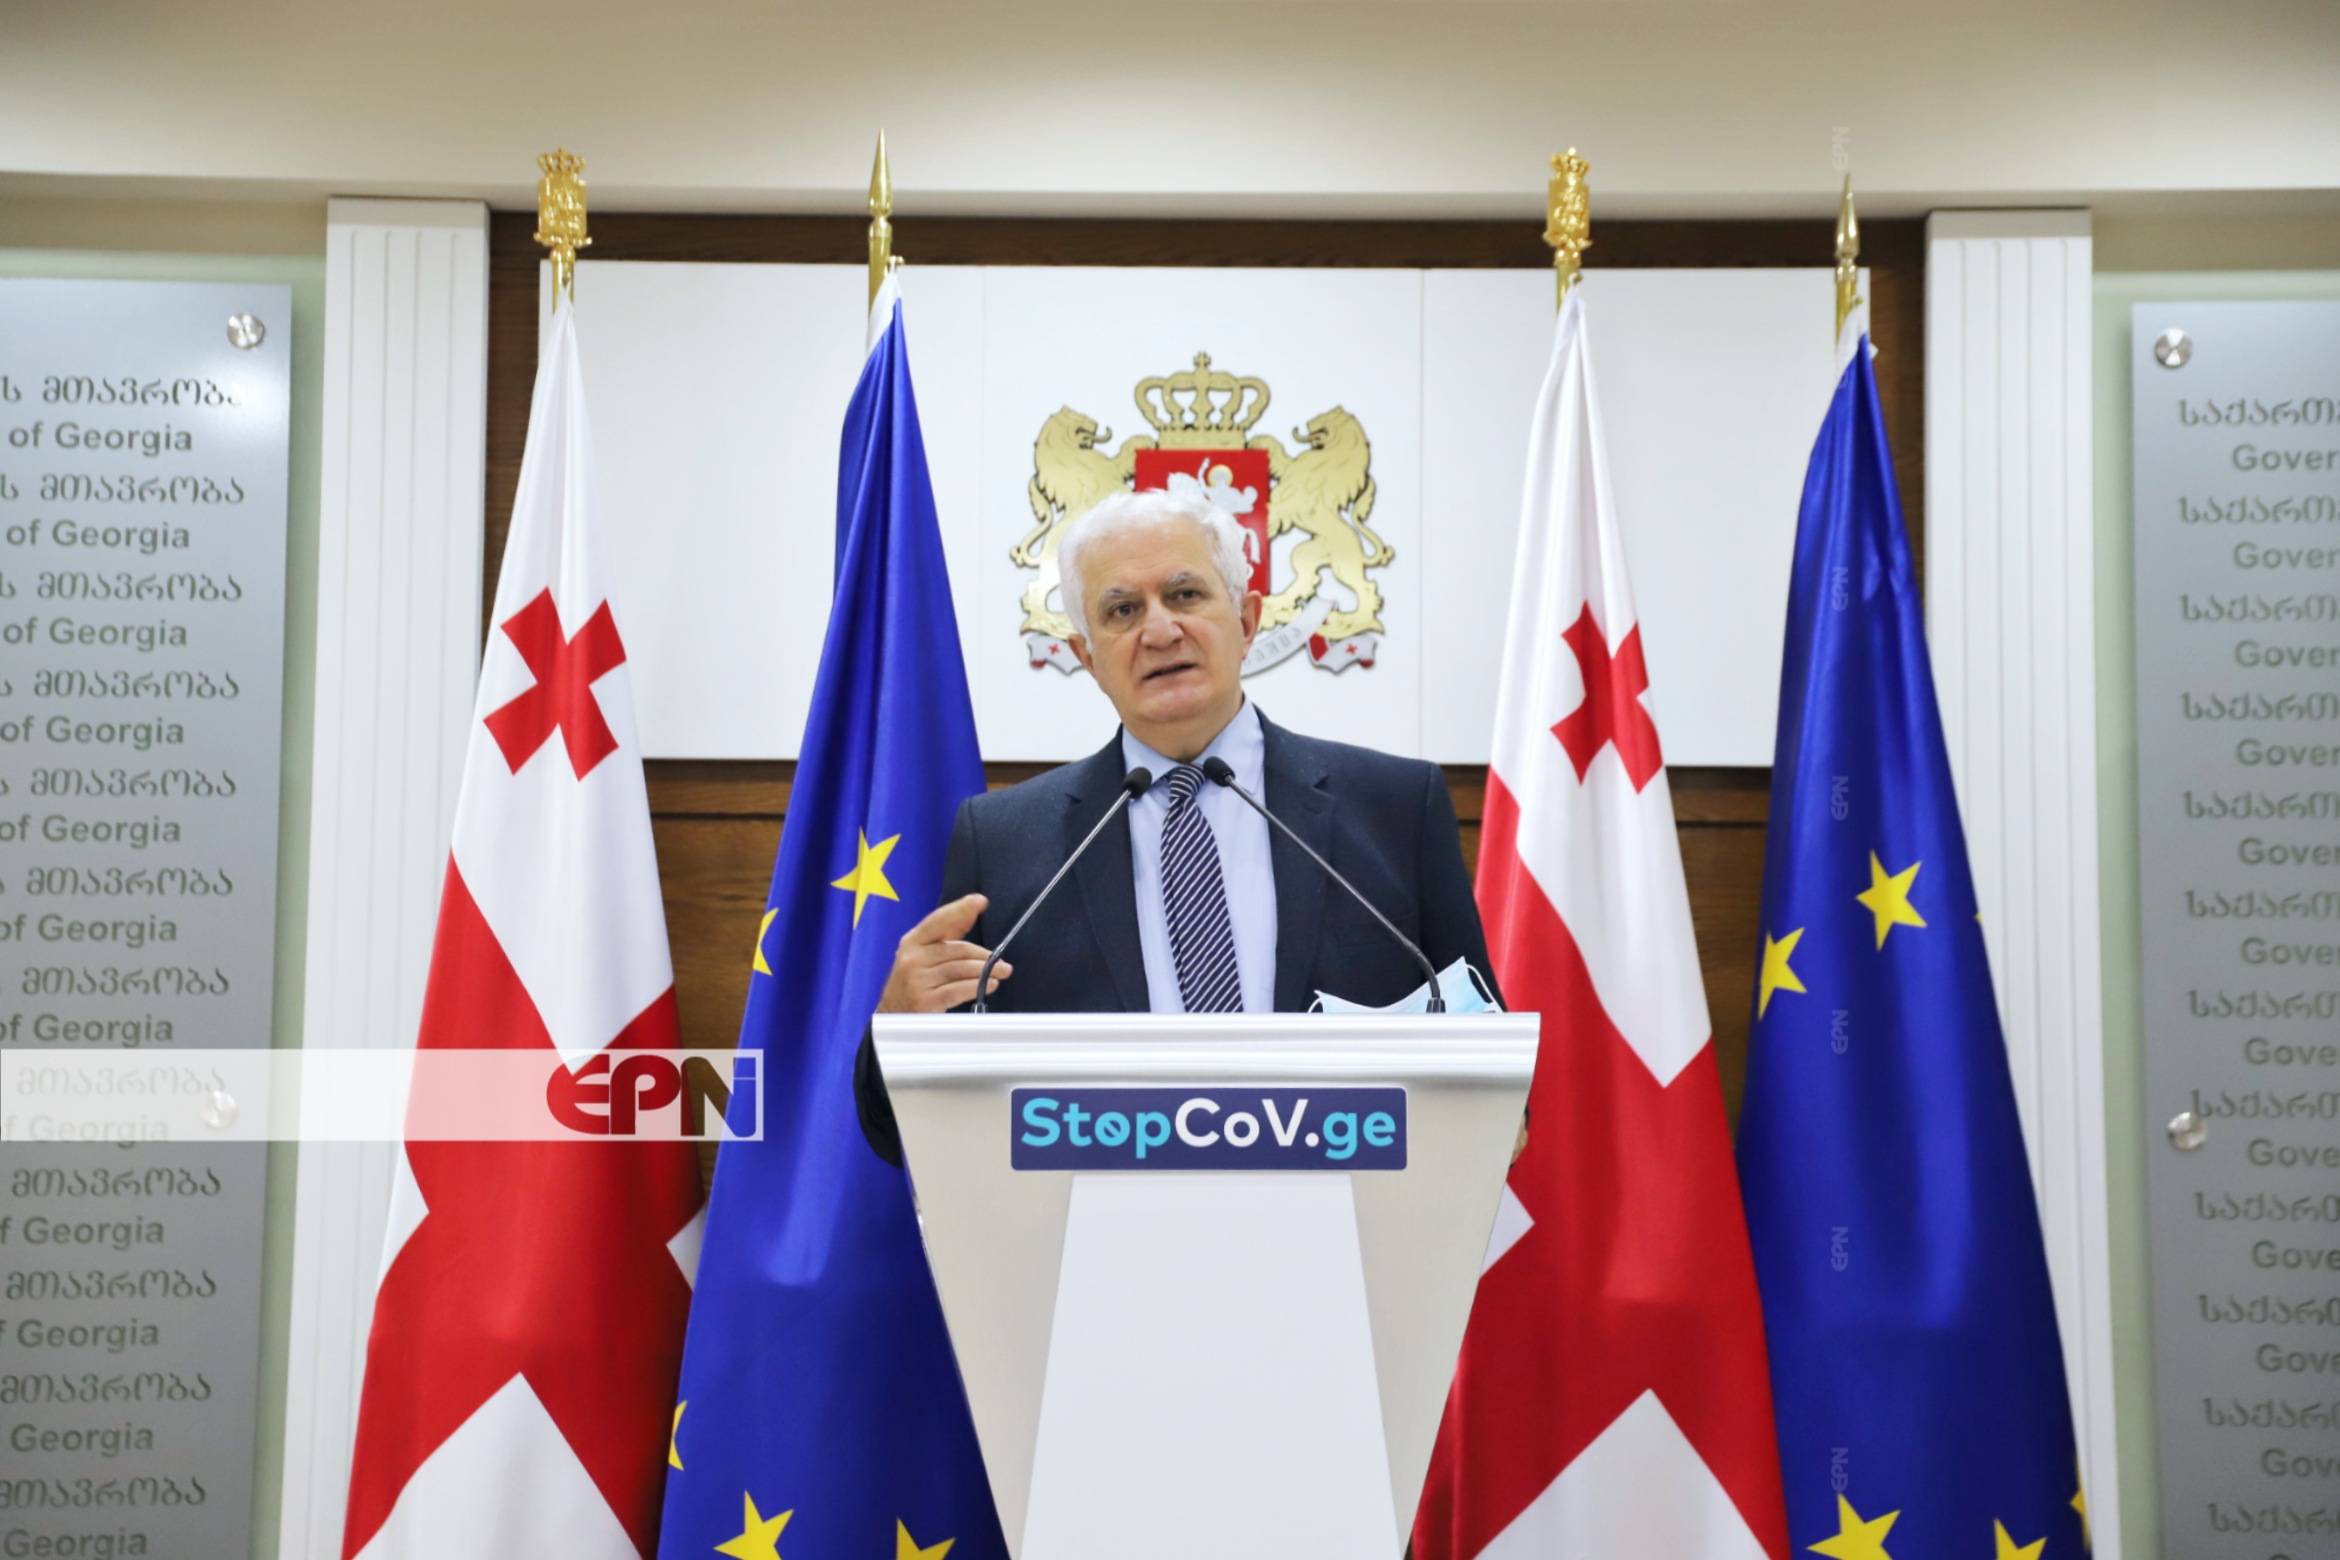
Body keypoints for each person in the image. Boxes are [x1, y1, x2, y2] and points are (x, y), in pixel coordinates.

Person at [854, 486, 1497, 1163]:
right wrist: (898, 1024)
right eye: (1122, 610)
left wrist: (1492, 1119)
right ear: (1087, 657)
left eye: (1185, 595)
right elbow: (902, 1134)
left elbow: (1484, 1053)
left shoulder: (1397, 807)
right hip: (1098, 1220)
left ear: (1247, 621)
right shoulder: (1004, 840)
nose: (1159, 631)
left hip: (1347, 1206)